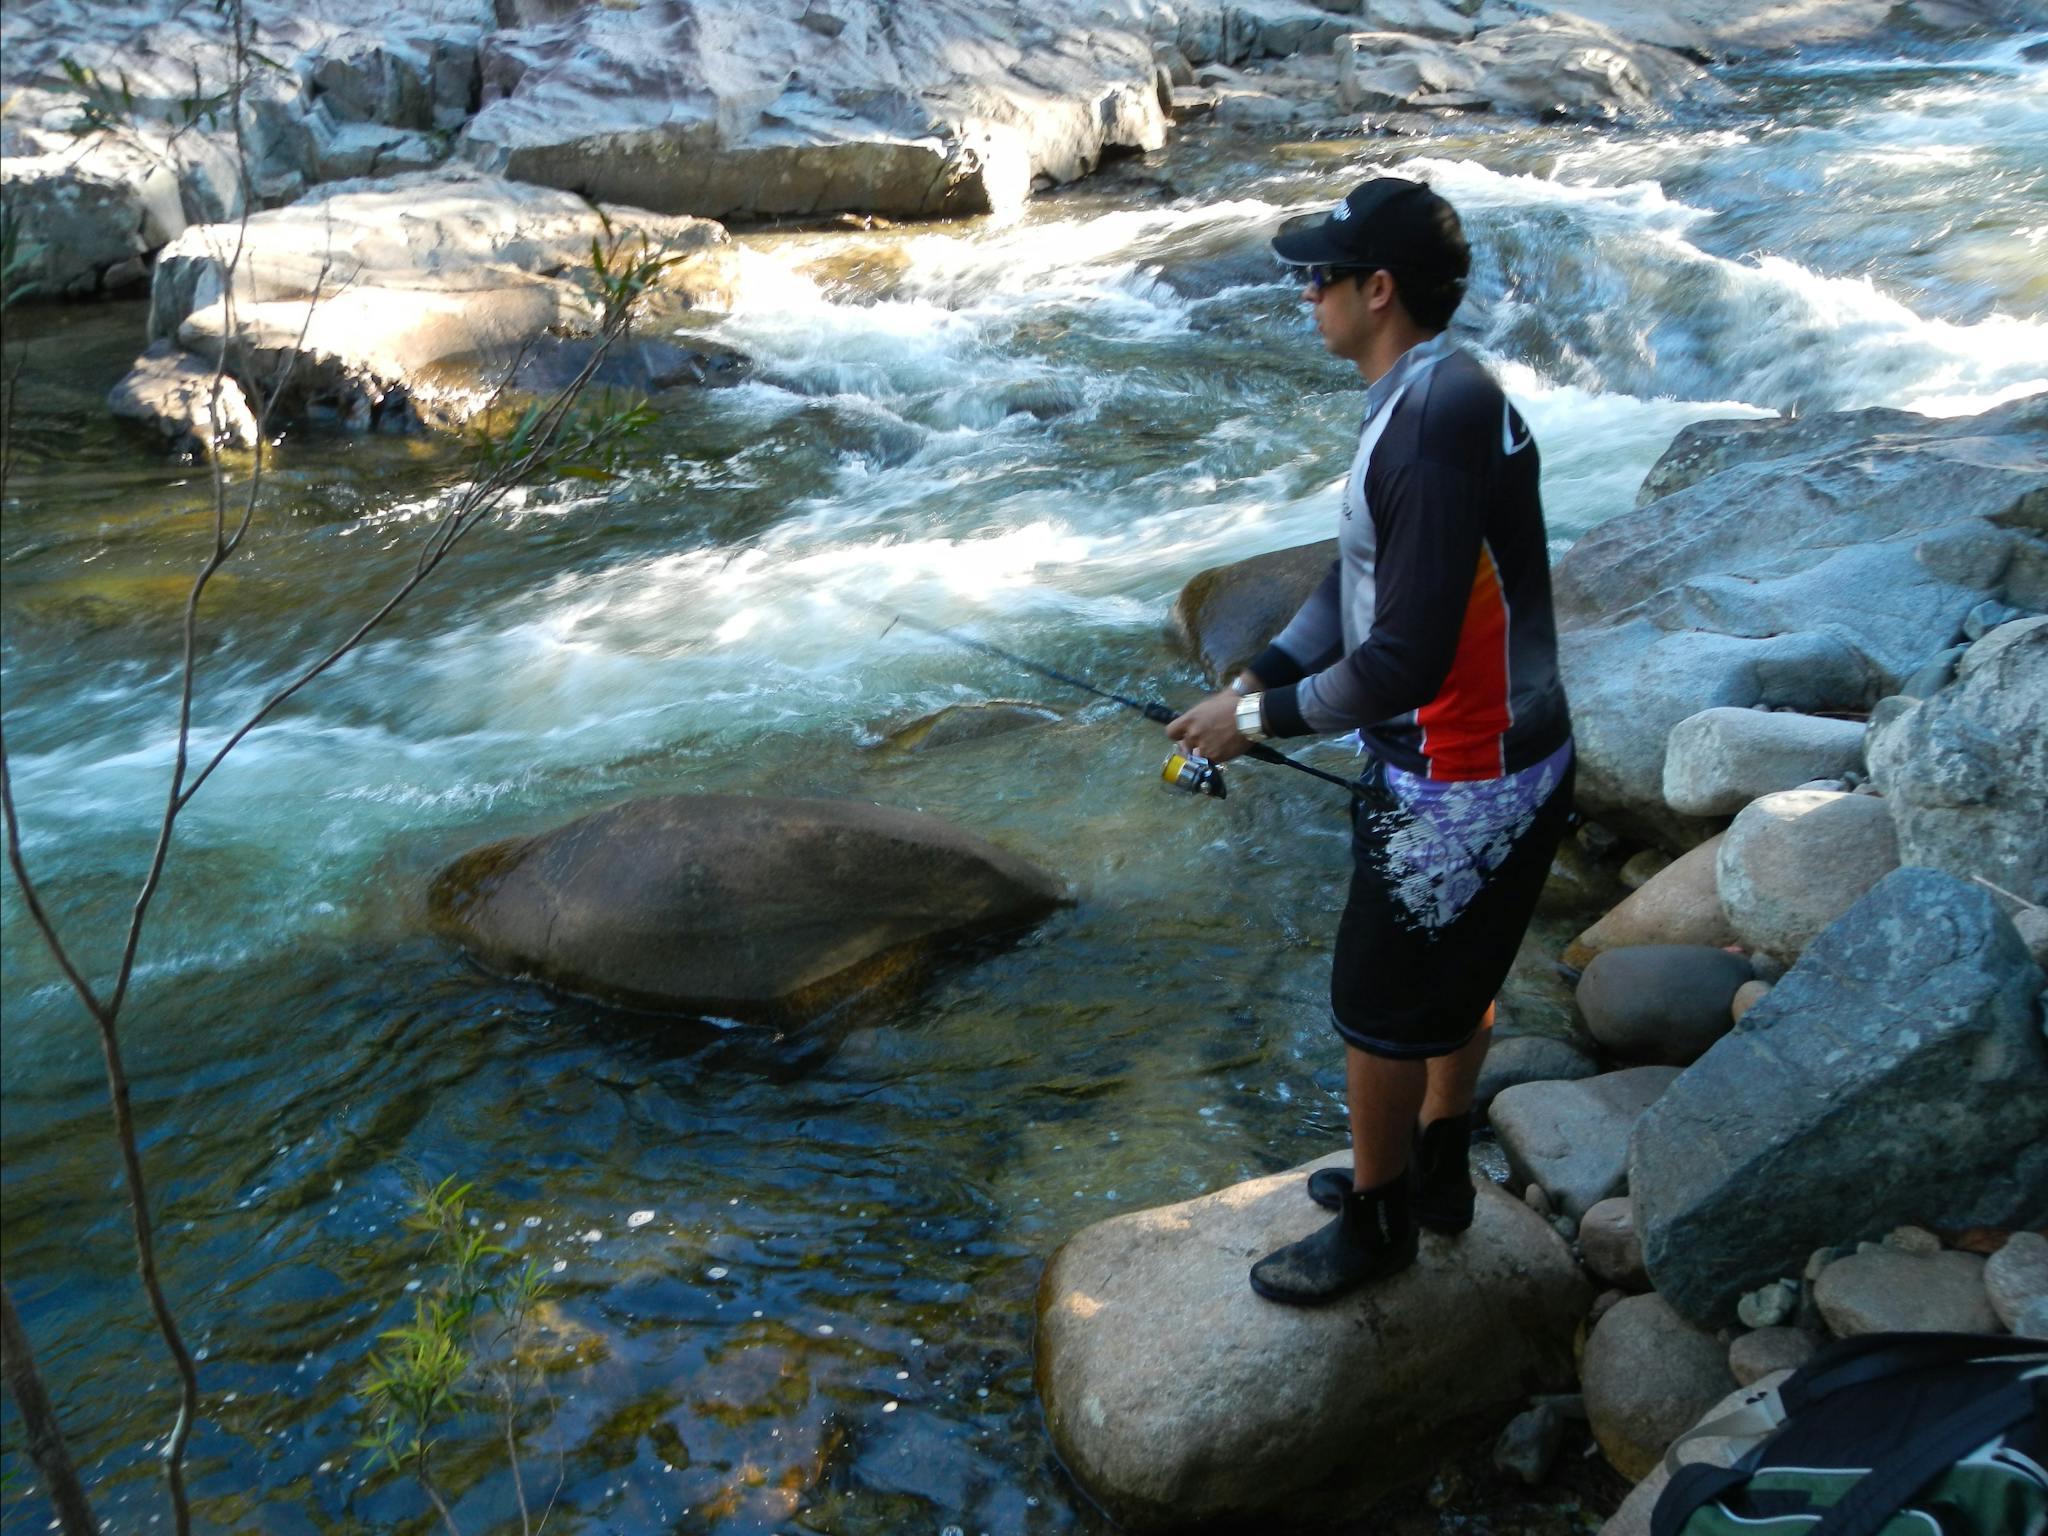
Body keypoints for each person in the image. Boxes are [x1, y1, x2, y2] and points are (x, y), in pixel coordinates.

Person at [1166, 176, 1574, 1307]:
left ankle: (1380, 1221)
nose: (1308, 295)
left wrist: (1252, 723)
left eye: (1320, 277)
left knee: (1379, 1009)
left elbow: (1403, 660)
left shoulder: (1427, 433)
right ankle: (1439, 1165)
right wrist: (1264, 672)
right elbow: (1356, 583)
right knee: (1461, 969)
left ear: (1377, 289)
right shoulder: (1437, 389)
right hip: (1513, 755)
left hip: (1458, 777)